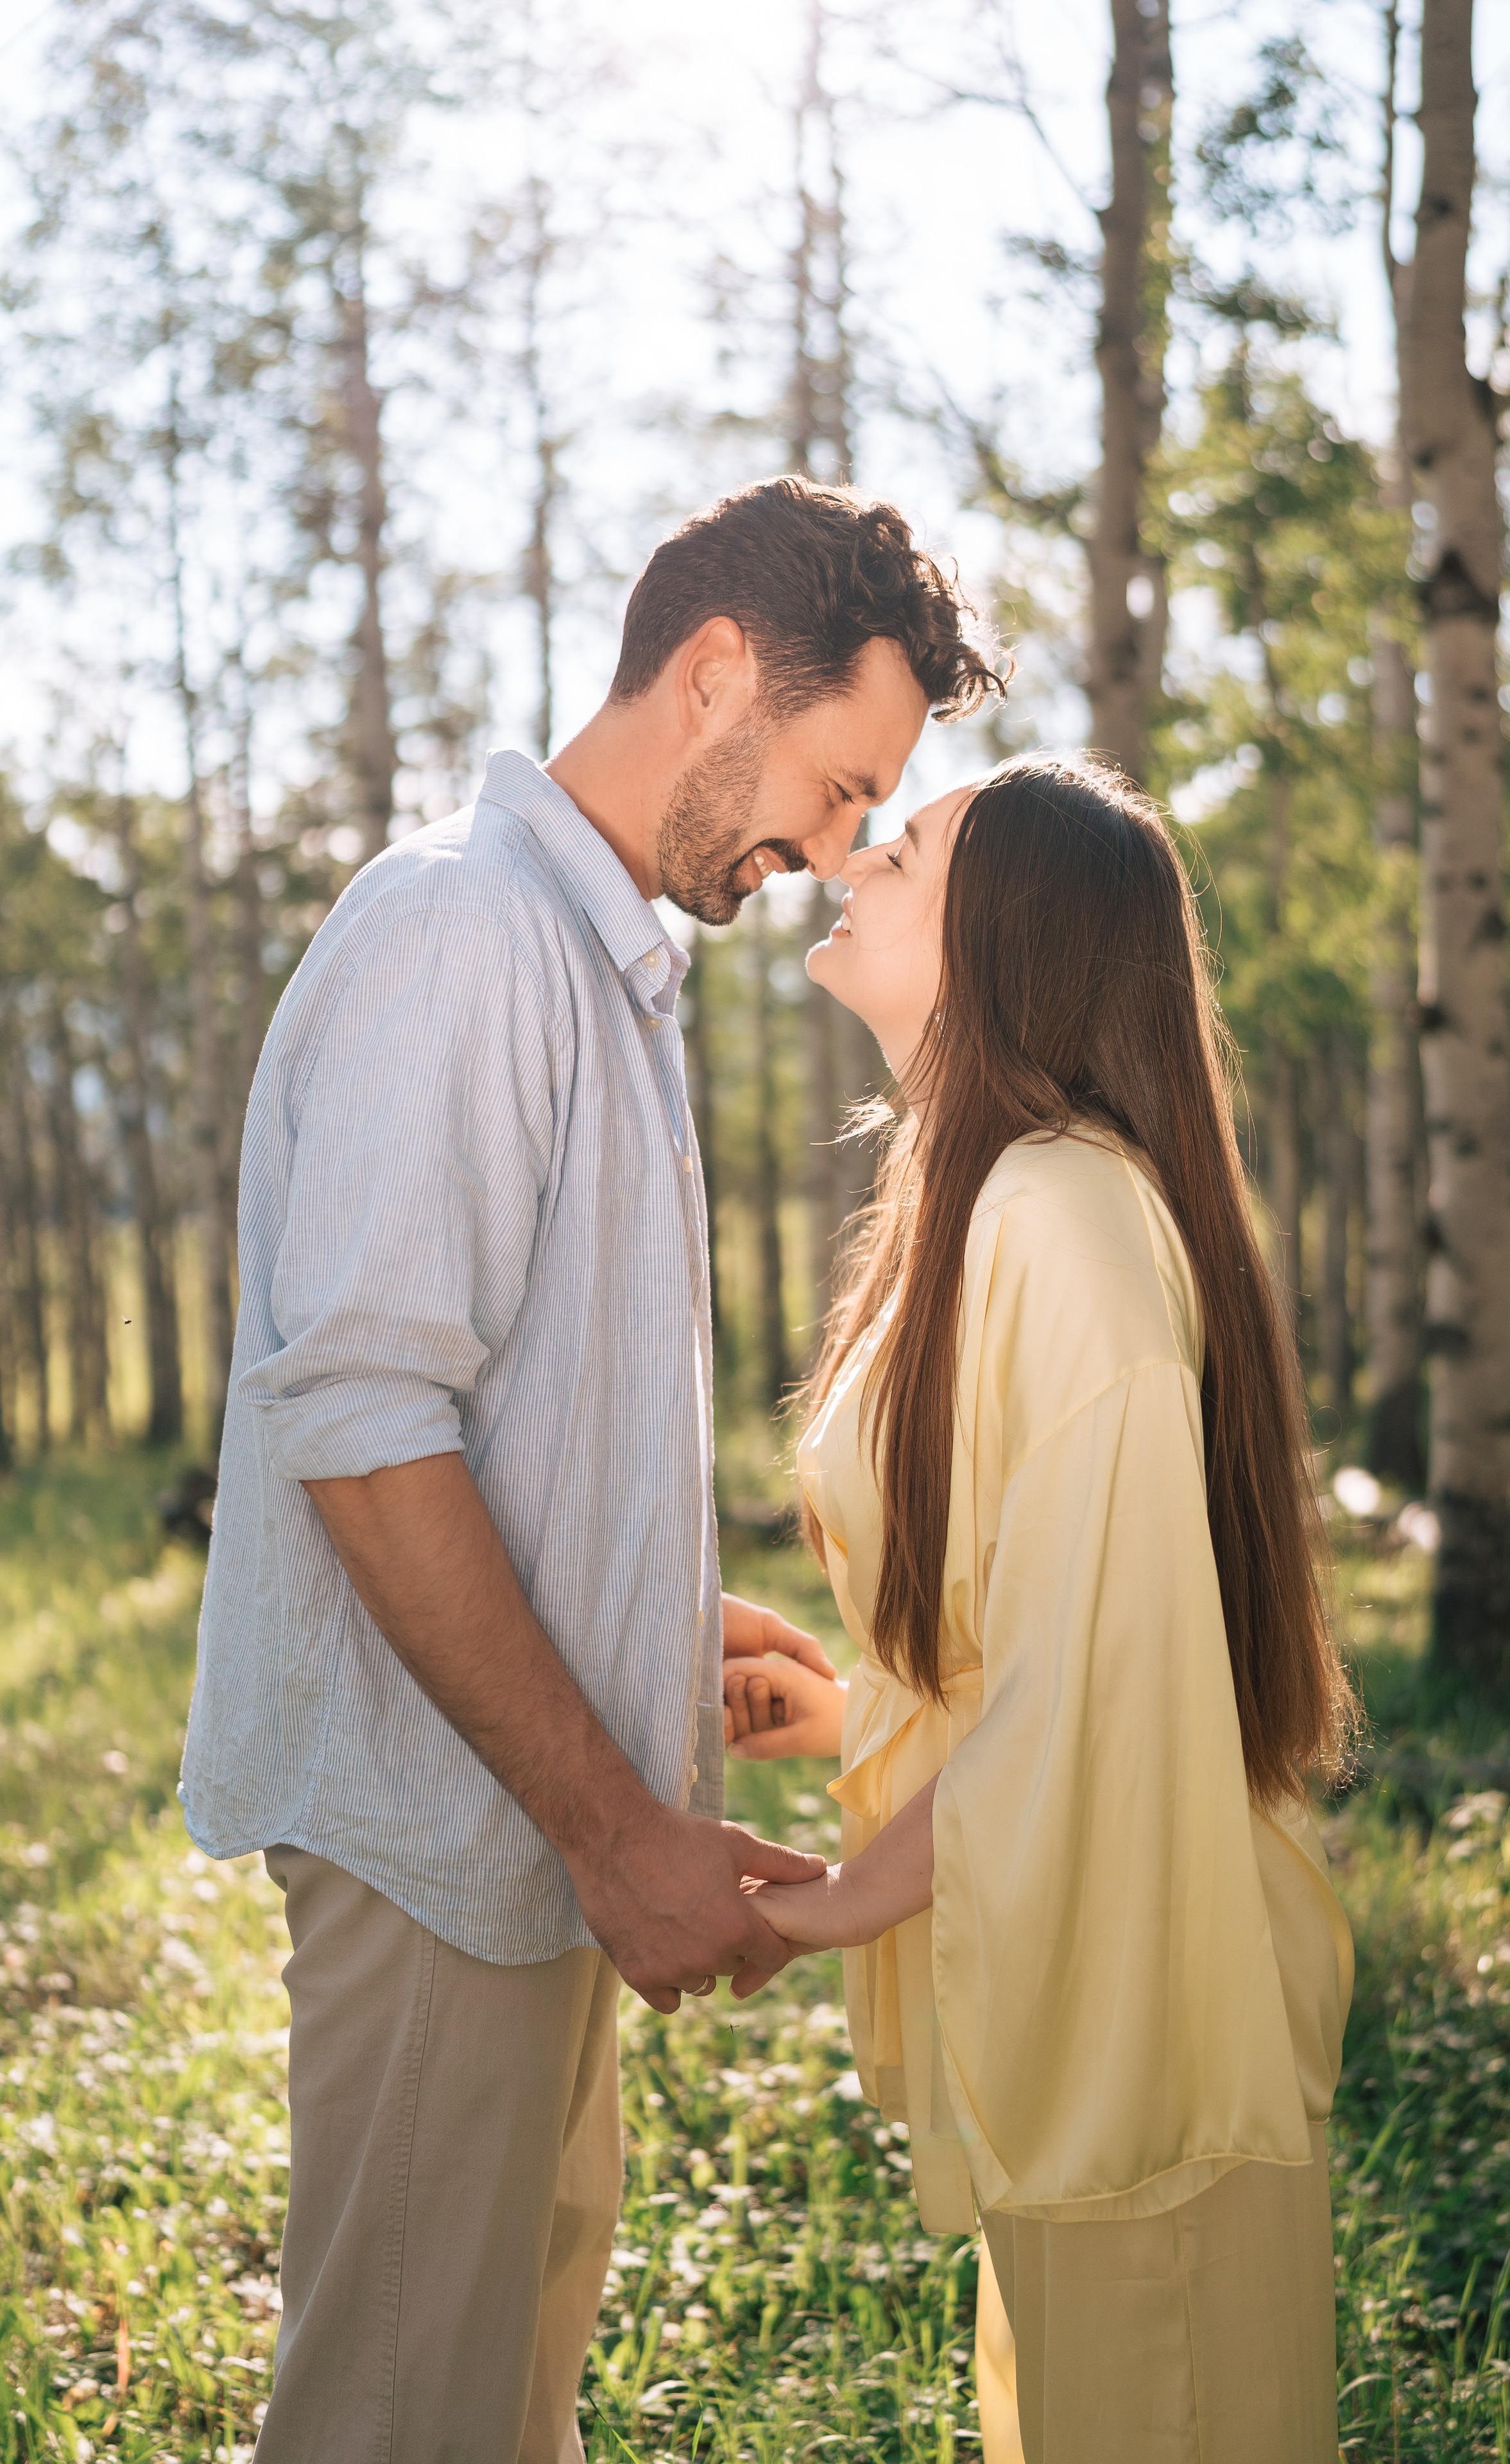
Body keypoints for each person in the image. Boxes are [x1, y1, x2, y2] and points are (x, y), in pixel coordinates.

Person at [179, 474, 1005, 2463]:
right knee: (397, 2424)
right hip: (442, 1840)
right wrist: (619, 1829)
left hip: (521, 1838)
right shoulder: (466, 932)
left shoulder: (592, 958)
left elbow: (490, 1409)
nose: (837, 848)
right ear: (715, 673)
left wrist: (645, 1616)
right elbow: (361, 1422)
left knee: (503, 2412)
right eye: (839, 782)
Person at [722, 755, 1357, 2464]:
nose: (853, 858)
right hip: (1079, 1963)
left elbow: (1102, 1686)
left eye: (906, 848)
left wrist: (835, 1903)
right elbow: (1052, 1634)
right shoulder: (989, 1202)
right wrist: (852, 1716)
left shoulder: (1061, 1219)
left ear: (1009, 935)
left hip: (1149, 1998)